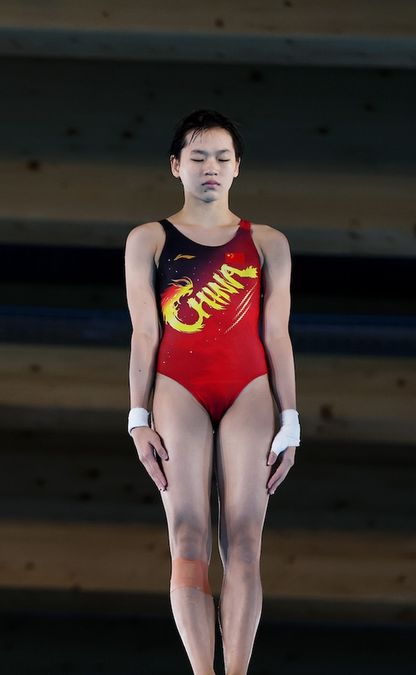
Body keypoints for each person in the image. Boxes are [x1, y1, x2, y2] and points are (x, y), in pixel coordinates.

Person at [123, 110, 299, 675]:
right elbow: (146, 333)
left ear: (237, 168)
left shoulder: (267, 242)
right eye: (198, 157)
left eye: (222, 158)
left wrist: (290, 420)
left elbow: (276, 335)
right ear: (176, 167)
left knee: (245, 539)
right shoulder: (148, 239)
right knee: (187, 532)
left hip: (247, 388)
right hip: (179, 387)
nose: (211, 168)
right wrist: (137, 418)